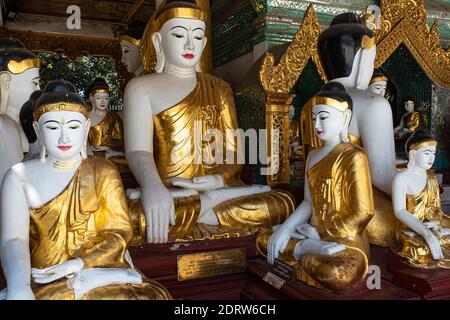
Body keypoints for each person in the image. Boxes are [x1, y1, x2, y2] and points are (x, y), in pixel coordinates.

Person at [0, 80, 171, 300]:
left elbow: (119, 234)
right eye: (52, 127)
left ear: (86, 129)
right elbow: (13, 240)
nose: (64, 137)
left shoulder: (103, 171)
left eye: (73, 127)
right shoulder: (18, 177)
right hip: (47, 277)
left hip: (99, 271)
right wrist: (19, 286)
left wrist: (80, 263)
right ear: (37, 130)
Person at [258, 82, 374, 292]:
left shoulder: (354, 156)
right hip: (310, 235)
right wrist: (286, 228)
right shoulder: (312, 156)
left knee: (338, 273)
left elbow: (363, 212)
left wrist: (320, 232)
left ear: (345, 118)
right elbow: (308, 202)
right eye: (313, 118)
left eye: (323, 117)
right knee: (264, 239)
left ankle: (299, 252)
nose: (316, 124)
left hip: (346, 240)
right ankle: (303, 248)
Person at [392, 130, 450, 268]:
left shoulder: (432, 178)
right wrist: (427, 233)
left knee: (440, 235)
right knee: (419, 250)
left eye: (434, 153)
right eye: (426, 153)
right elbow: (399, 211)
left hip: (430, 224)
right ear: (413, 154)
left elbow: (435, 208)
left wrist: (435, 224)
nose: (431, 158)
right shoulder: (401, 178)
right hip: (410, 228)